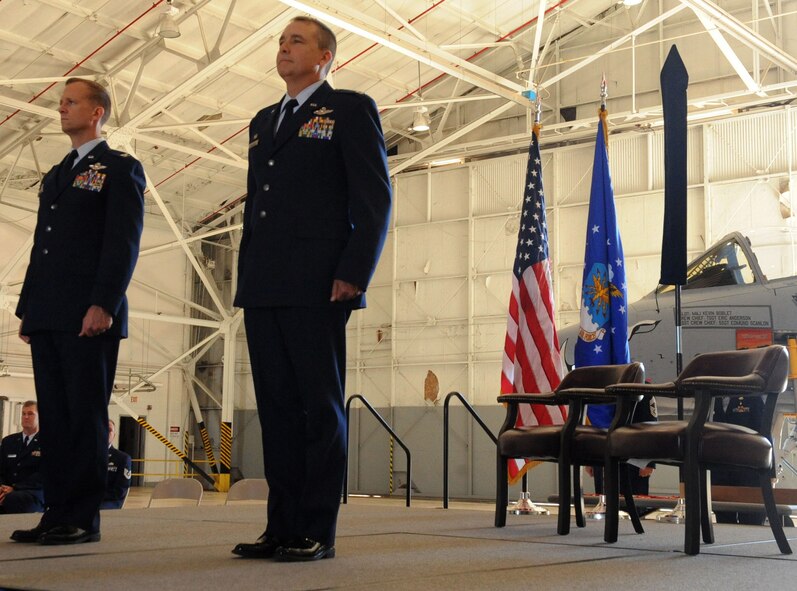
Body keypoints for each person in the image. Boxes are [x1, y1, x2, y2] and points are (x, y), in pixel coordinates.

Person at [231, 16, 391, 562]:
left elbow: (374, 199)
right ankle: (282, 525)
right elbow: (257, 204)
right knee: (276, 408)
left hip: (319, 281)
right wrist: (245, 273)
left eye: (296, 41)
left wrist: (354, 271)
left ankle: (315, 528)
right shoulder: (262, 120)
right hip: (265, 283)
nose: (284, 49)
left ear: (325, 56)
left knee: (318, 407)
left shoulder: (348, 108)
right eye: (279, 41)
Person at [13, 78, 145, 545]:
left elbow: (122, 242)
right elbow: (42, 246)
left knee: (85, 417)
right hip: (49, 312)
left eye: (71, 102)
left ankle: (82, 518)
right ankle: (57, 512)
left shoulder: (118, 167)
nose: (61, 108)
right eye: (60, 102)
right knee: (57, 417)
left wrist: (103, 303)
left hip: (90, 313)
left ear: (97, 112)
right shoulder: (57, 173)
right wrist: (28, 308)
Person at [0, 401, 44, 514]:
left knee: (14, 499)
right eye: (23, 414)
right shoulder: (8, 441)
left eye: (30, 414)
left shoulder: (48, 442)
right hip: (7, 489)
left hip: (32, 491)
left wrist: (15, 488)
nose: (26, 417)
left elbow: (45, 473)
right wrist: (2, 487)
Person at [101, 419, 132, 510]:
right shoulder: (87, 456)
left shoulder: (122, 458)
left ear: (114, 435)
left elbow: (120, 491)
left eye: (110, 430)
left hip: (110, 501)